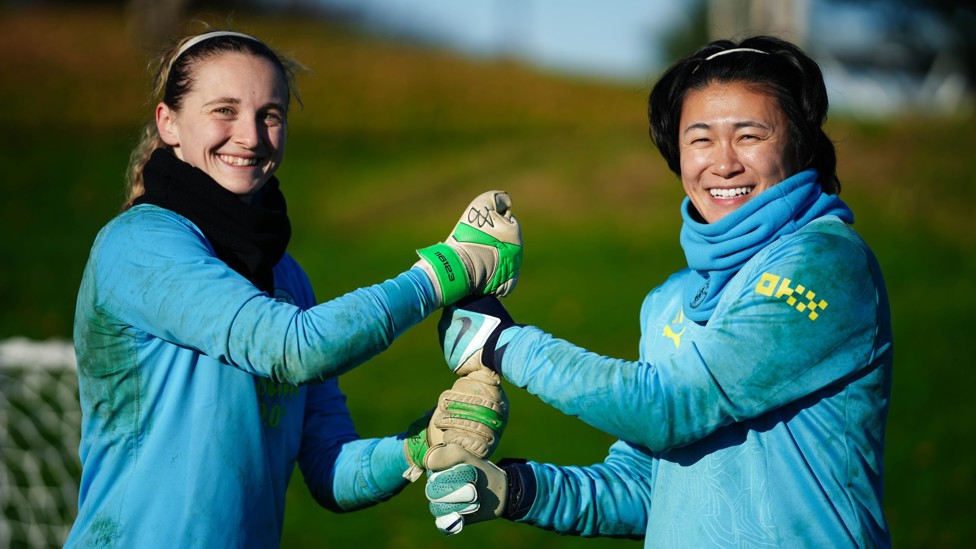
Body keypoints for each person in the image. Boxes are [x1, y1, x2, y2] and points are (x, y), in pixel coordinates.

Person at [425, 35, 893, 548]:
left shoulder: (825, 263)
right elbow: (646, 488)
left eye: (750, 135)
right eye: (700, 139)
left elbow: (669, 408)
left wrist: (503, 344)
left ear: (798, 144)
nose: (723, 162)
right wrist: (514, 490)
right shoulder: (668, 301)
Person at [65, 29, 522, 548]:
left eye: (270, 115)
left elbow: (331, 470)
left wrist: (420, 445)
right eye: (224, 110)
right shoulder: (139, 244)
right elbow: (295, 349)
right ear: (169, 123)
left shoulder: (287, 277)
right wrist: (446, 272)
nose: (251, 136)